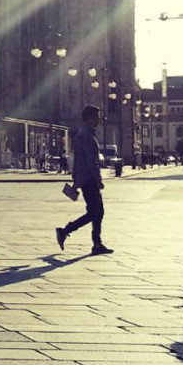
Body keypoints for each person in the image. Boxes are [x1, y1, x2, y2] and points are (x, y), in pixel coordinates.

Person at [55, 106, 113, 256]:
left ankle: (97, 244)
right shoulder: (87, 137)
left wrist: (76, 179)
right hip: (89, 180)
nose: (99, 120)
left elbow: (78, 160)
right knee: (95, 212)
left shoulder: (81, 135)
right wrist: (97, 179)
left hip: (84, 179)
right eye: (96, 117)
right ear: (89, 118)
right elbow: (90, 161)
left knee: (97, 212)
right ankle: (65, 231)